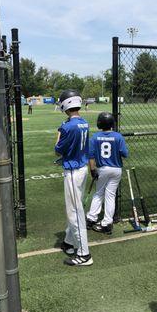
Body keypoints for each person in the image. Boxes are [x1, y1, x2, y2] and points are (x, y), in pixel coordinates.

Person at [55, 89, 93, 266]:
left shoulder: (67, 126)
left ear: (66, 104)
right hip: (82, 168)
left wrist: (59, 133)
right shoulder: (84, 123)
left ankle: (84, 254)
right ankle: (70, 242)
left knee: (74, 212)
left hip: (72, 171)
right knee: (76, 208)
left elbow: (58, 148)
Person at [86, 112, 128, 234]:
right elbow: (124, 153)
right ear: (112, 124)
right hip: (116, 170)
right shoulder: (118, 136)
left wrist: (92, 170)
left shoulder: (95, 137)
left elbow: (91, 156)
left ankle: (91, 218)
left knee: (99, 193)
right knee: (110, 196)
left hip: (102, 169)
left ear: (99, 124)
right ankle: (107, 223)